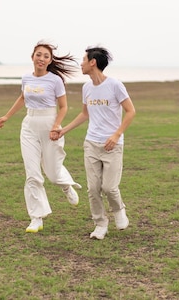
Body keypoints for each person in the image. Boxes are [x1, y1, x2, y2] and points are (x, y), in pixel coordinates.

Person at [0, 41, 82, 233]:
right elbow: (23, 97)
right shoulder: (26, 78)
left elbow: (64, 107)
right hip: (29, 126)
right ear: (32, 56)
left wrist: (56, 126)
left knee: (52, 173)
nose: (41, 59)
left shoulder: (55, 80)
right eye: (38, 55)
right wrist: (7, 116)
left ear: (50, 61)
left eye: (45, 56)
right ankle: (36, 218)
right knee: (33, 174)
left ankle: (67, 185)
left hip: (50, 124)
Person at [52, 46, 136, 240]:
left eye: (83, 59)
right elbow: (85, 113)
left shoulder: (115, 85)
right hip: (91, 144)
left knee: (109, 187)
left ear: (93, 62)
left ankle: (118, 209)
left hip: (112, 146)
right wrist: (63, 130)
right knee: (93, 189)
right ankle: (100, 224)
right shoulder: (86, 87)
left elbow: (131, 111)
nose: (81, 63)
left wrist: (116, 135)